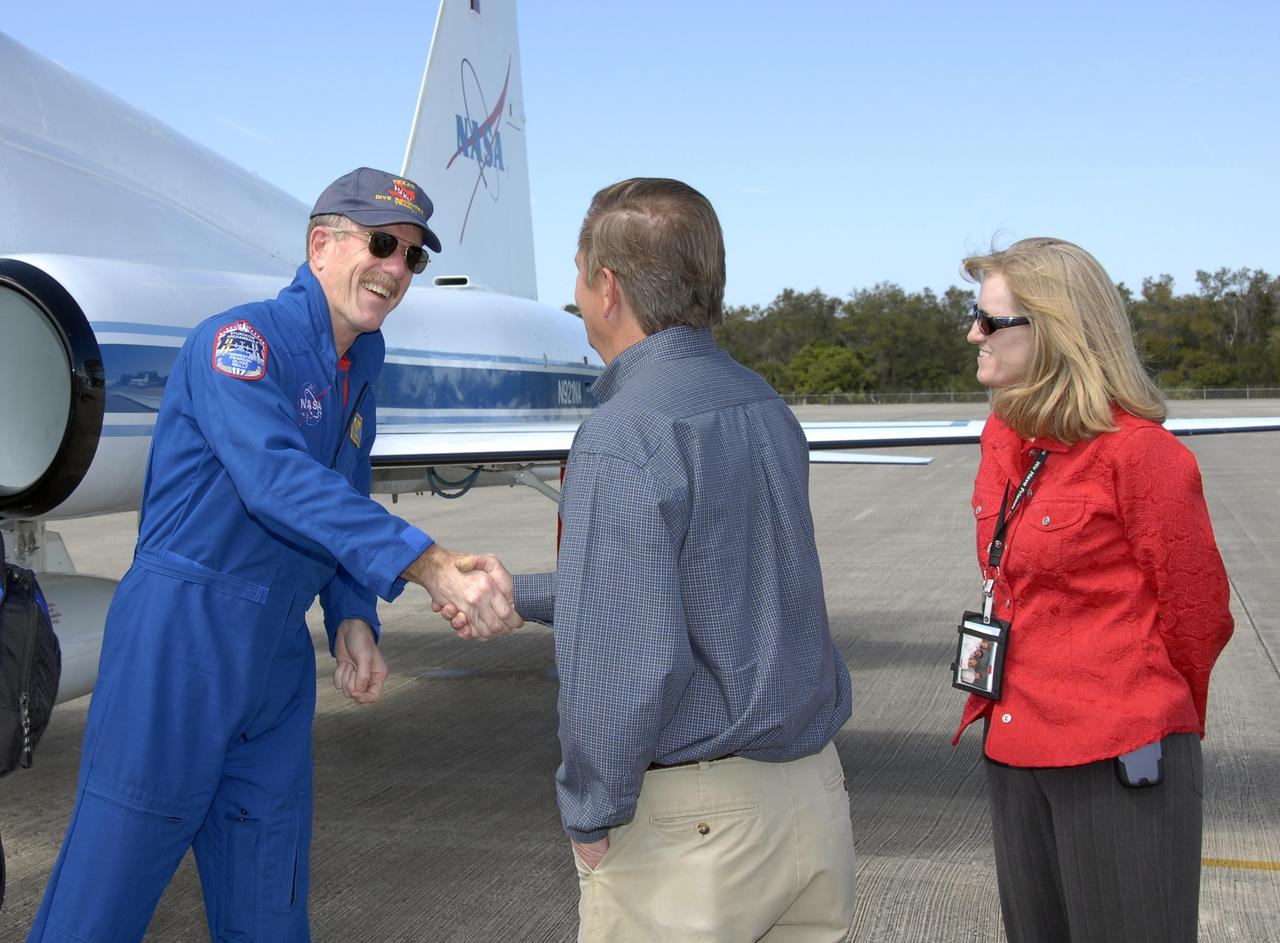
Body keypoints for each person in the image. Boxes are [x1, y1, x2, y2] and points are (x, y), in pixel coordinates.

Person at [27, 167, 521, 943]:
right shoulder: (241, 344)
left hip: (276, 658)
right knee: (105, 896)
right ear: (321, 245)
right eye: (382, 244)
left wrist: (353, 612)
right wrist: (426, 561)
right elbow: (275, 479)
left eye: (412, 258)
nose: (395, 269)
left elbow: (347, 487)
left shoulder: (361, 361)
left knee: (270, 897)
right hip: (181, 641)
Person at [447, 178, 856, 941]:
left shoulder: (623, 433)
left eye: (577, 273)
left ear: (609, 288)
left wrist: (592, 808)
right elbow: (695, 584)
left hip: (700, 841)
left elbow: (632, 659)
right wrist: (523, 592)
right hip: (813, 801)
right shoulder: (761, 404)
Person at [953, 237, 1234, 943]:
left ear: (1050, 333)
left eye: (990, 321)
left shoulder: (1142, 456)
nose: (972, 334)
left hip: (1117, 755)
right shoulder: (1005, 439)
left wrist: (1137, 713)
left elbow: (1198, 617)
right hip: (1015, 743)